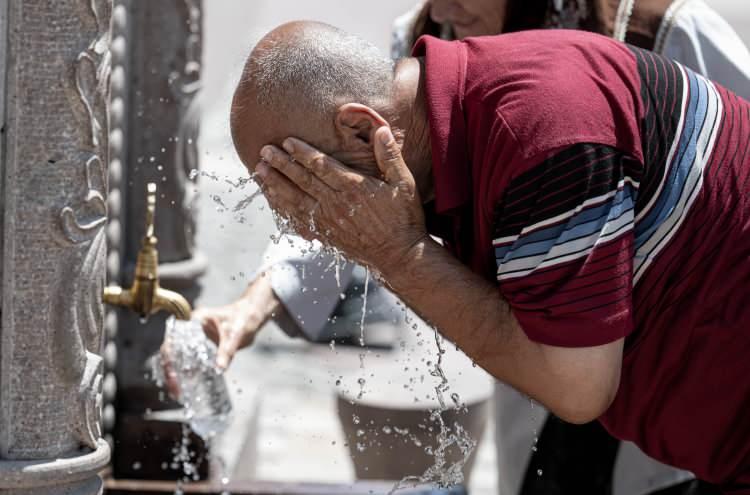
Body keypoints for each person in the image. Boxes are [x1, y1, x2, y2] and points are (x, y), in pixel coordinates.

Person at [234, 21, 750, 493]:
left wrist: (397, 255)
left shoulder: (541, 131)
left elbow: (576, 385)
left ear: (363, 131)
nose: (296, 218)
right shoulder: (467, 115)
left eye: (293, 182)